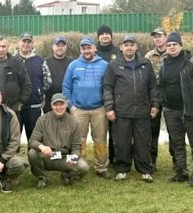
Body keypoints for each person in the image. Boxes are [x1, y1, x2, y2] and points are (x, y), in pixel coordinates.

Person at [103, 34, 159, 182]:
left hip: (142, 110)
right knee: (122, 142)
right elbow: (107, 87)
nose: (129, 47)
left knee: (143, 142)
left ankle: (145, 170)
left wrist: (155, 104)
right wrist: (109, 107)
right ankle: (122, 169)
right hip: (121, 111)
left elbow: (152, 86)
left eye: (131, 45)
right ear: (121, 47)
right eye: (126, 45)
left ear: (136, 47)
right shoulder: (113, 65)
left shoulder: (145, 64)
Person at [156, 33, 193, 186]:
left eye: (175, 45)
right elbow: (161, 86)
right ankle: (181, 172)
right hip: (170, 110)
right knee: (177, 143)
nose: (171, 47)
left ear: (181, 46)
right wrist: (162, 104)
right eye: (169, 45)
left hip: (190, 110)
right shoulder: (164, 65)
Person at [62, 37, 111, 178]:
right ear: (80, 50)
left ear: (95, 48)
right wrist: (71, 106)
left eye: (89, 47)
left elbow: (108, 86)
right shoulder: (73, 65)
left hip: (99, 109)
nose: (86, 50)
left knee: (100, 139)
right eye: (83, 48)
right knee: (78, 140)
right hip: (78, 109)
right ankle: (78, 167)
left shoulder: (104, 65)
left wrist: (107, 106)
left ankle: (101, 167)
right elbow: (66, 87)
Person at [29, 93, 90, 188]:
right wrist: (42, 147)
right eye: (55, 105)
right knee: (32, 153)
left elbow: (76, 146)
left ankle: (67, 175)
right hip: (48, 156)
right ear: (51, 106)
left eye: (61, 104)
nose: (59, 107)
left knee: (83, 167)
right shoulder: (42, 120)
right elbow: (32, 141)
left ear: (66, 105)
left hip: (64, 157)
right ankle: (41, 178)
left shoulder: (74, 122)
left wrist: (74, 156)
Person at [16, 33, 52, 141]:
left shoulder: (40, 60)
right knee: (14, 137)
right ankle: (14, 158)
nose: (26, 44)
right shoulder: (12, 60)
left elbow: (48, 80)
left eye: (29, 42)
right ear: (19, 43)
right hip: (16, 106)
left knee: (34, 138)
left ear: (32, 44)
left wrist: (40, 92)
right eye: (24, 41)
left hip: (34, 106)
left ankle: (33, 157)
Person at [142, 26, 169, 168]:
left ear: (166, 37)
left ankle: (178, 162)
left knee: (174, 129)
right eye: (155, 37)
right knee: (153, 130)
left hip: (170, 95)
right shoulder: (148, 56)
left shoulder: (172, 52)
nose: (157, 39)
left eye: (160, 36)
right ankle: (151, 161)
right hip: (153, 96)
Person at [94, 23, 118, 161]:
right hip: (98, 99)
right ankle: (102, 159)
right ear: (98, 37)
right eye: (101, 34)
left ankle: (114, 158)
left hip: (115, 97)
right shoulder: (93, 51)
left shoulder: (118, 52)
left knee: (115, 131)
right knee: (101, 133)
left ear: (111, 36)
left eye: (107, 34)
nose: (104, 36)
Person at [43, 36, 71, 113]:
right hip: (49, 103)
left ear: (66, 47)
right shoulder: (45, 62)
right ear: (53, 47)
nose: (60, 48)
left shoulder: (72, 63)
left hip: (67, 103)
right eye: (57, 45)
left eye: (62, 46)